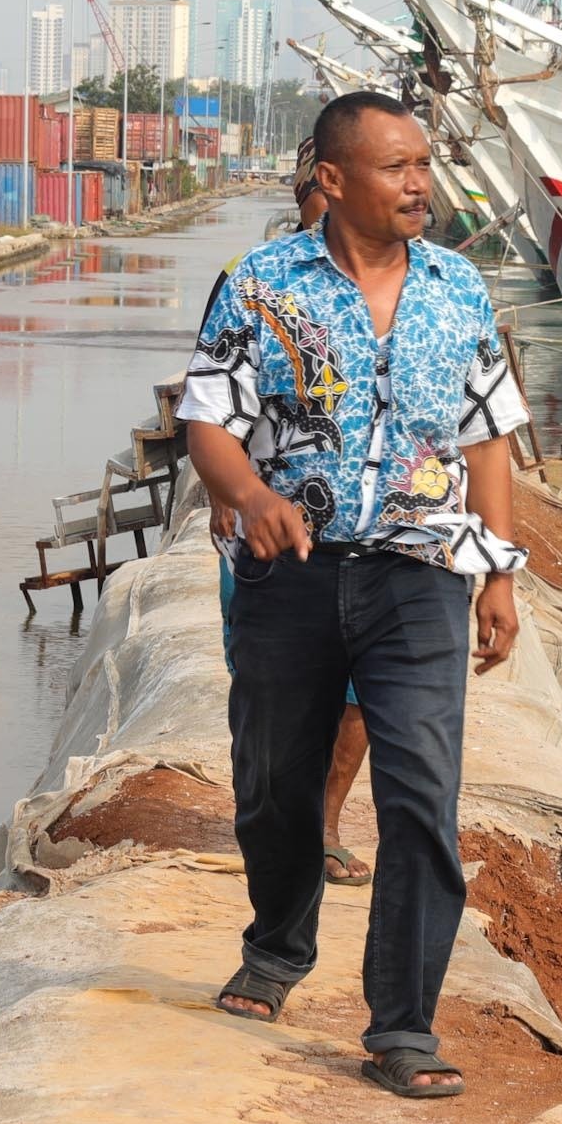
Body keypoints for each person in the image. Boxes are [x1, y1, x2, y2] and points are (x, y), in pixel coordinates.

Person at [179, 90, 528, 1100]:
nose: (421, 182)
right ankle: (278, 944)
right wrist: (246, 494)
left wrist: (497, 568)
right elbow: (209, 417)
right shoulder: (260, 284)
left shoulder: (459, 288)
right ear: (333, 178)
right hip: (288, 567)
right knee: (277, 782)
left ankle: (403, 1024)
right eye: (398, 166)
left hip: (420, 570)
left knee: (422, 794)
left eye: (426, 163)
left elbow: (487, 432)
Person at [216, 137, 372, 886]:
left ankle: (326, 822)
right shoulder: (253, 281)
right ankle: (276, 824)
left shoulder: (415, 286)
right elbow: (212, 405)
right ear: (314, 191)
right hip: (272, 531)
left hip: (373, 540)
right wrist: (231, 494)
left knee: (359, 696)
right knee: (270, 694)